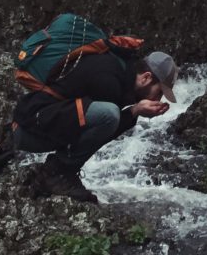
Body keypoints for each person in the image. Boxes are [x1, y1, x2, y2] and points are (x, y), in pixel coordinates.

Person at [12, 50, 178, 202]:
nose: (158, 99)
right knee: (109, 114)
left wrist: (135, 110)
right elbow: (107, 126)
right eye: (160, 92)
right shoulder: (109, 80)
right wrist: (135, 111)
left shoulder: (120, 71)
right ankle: (56, 173)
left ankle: (61, 171)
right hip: (28, 131)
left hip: (35, 124)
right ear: (146, 78)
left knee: (109, 115)